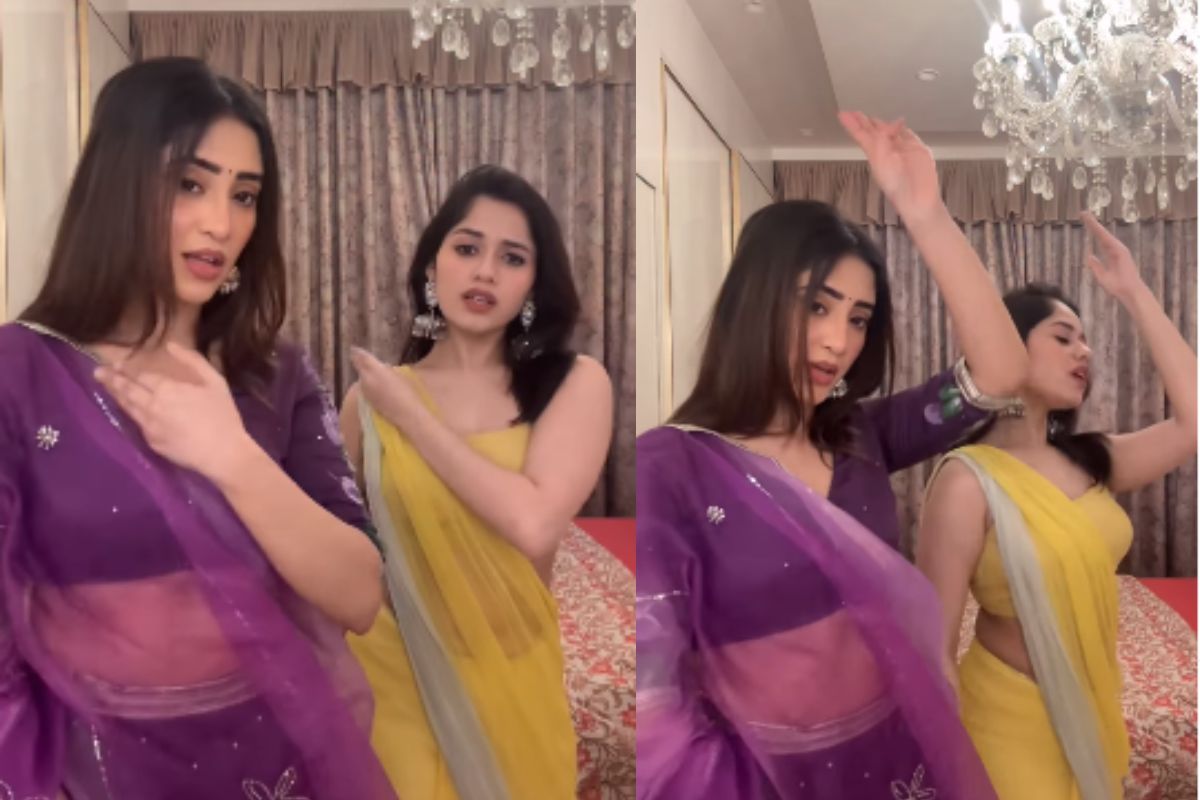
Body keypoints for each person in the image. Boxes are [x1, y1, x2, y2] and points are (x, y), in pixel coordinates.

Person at [0, 57, 393, 799]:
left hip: (268, 758)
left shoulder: (273, 373)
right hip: (89, 773)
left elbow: (358, 595)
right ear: (118, 187)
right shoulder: (20, 372)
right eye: (190, 184)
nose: (222, 223)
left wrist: (232, 458)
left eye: (244, 195)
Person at [635, 112, 1030, 798]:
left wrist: (926, 214)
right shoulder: (671, 468)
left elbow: (1000, 374)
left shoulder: (859, 437)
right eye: (816, 307)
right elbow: (653, 696)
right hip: (760, 780)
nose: (838, 342)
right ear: (753, 302)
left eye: (857, 318)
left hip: (895, 757)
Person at [341, 165, 613, 799]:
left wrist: (412, 416)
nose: (485, 271)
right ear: (432, 267)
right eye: (467, 249)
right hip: (395, 671)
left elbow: (532, 523)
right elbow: (342, 540)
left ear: (533, 284)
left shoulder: (575, 384)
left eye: (512, 258)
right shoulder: (369, 403)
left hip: (512, 672)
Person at [918, 212, 1198, 800]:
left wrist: (1135, 291)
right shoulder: (966, 481)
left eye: (1085, 340)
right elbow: (933, 649)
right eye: (1063, 337)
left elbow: (1192, 423)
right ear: (1008, 344)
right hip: (1007, 720)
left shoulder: (1092, 459)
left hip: (1095, 706)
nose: (1085, 352)